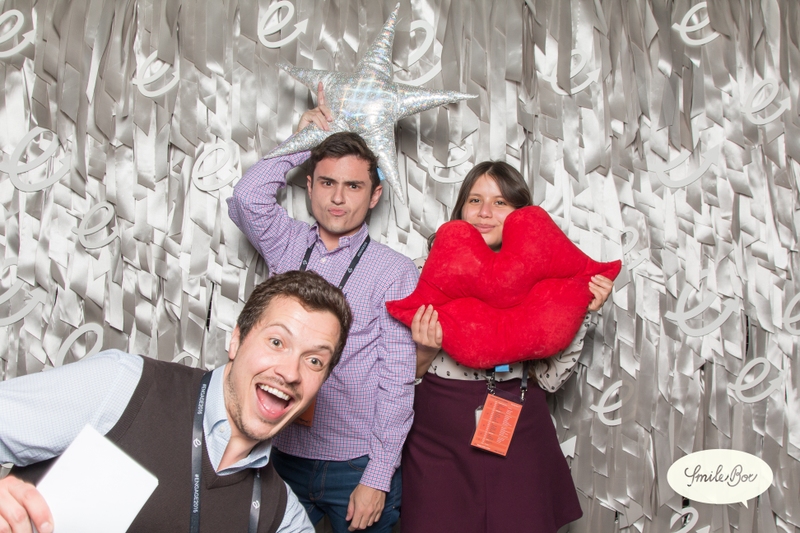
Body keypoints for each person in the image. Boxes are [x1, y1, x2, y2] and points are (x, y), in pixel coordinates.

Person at [0, 270, 352, 533]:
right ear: (236, 340)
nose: (290, 372)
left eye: (314, 360)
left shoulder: (281, 514)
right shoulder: (124, 386)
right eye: (276, 342)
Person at [227, 86, 417, 533]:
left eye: (353, 186)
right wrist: (301, 144)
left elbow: (397, 381)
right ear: (310, 186)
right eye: (328, 182)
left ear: (374, 195)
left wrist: (377, 476)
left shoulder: (394, 271)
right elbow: (247, 197)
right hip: (280, 451)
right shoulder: (287, 242)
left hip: (356, 464)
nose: (338, 198)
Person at [401, 161, 614, 533]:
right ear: (460, 209)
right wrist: (424, 353)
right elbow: (392, 380)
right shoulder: (422, 274)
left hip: (520, 425)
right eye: (475, 200)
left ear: (521, 214)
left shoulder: (544, 281)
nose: (485, 212)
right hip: (439, 434)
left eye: (500, 202)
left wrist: (582, 312)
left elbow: (549, 381)